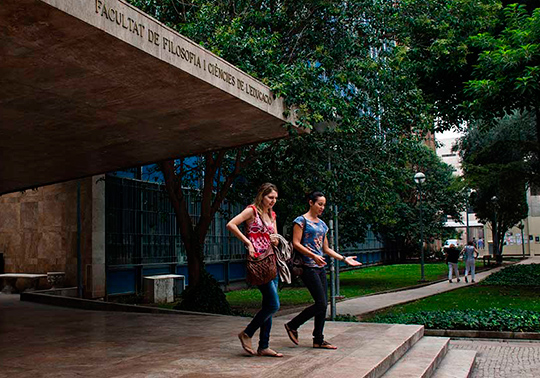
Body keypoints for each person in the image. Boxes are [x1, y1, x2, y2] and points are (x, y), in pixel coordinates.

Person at [284, 191, 362, 350]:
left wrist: (343, 258)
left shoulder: (322, 224)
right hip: (307, 266)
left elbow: (325, 248)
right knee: (320, 303)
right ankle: (293, 325)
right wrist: (312, 256)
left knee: (323, 304)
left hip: (320, 267)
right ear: (311, 203)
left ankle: (318, 339)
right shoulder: (301, 221)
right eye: (319, 204)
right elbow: (296, 243)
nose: (322, 207)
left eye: (324, 205)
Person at [226, 183, 282, 357]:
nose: (273, 201)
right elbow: (231, 224)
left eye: (275, 198)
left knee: (268, 305)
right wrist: (248, 242)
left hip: (271, 261)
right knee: (273, 304)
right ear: (262, 196)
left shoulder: (272, 215)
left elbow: (277, 238)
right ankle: (247, 333)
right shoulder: (252, 211)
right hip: (258, 261)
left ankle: (264, 346)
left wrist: (275, 240)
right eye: (270, 197)